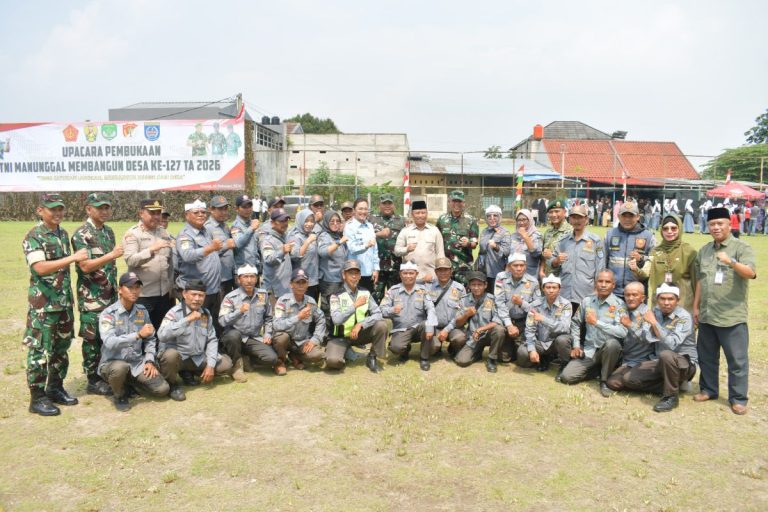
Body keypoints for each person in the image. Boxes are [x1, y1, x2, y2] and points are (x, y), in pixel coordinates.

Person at [23, 193, 88, 416]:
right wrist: (73, 258)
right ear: (40, 210)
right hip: (43, 305)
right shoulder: (34, 235)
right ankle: (37, 397)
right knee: (40, 351)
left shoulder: (62, 233)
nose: (58, 213)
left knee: (61, 349)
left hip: (63, 303)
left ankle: (55, 388)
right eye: (53, 209)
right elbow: (39, 268)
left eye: (61, 209)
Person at [693, 207, 756, 415]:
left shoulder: (741, 248)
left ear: (730, 224)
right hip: (708, 315)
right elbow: (702, 280)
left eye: (720, 223)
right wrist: (695, 307)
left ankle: (738, 398)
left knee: (737, 360)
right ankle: (708, 389)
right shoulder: (705, 250)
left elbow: (751, 273)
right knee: (707, 357)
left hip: (731, 317)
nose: (716, 227)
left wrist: (732, 262)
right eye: (712, 224)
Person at [608, 283, 697, 412]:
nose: (666, 302)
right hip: (657, 362)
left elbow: (672, 343)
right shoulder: (654, 312)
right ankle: (672, 384)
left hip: (683, 363)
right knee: (622, 380)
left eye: (670, 299)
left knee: (666, 354)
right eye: (662, 299)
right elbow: (645, 337)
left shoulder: (684, 317)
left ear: (677, 300)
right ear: (657, 299)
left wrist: (654, 324)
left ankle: (671, 397)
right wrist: (631, 325)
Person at [71, 193, 123, 396]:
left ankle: (106, 374)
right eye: (99, 207)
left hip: (109, 295)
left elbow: (109, 266)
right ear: (88, 209)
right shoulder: (82, 234)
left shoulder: (108, 231)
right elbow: (84, 266)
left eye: (107, 207)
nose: (104, 211)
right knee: (92, 339)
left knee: (108, 335)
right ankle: (92, 380)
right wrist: (111, 255)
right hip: (91, 297)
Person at [98, 272, 170, 411]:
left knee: (162, 390)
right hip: (113, 363)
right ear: (120, 289)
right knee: (120, 369)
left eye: (137, 287)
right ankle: (119, 395)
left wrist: (149, 360)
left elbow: (150, 338)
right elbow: (109, 342)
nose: (134, 291)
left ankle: (131, 384)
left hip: (137, 363)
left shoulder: (142, 312)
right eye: (130, 287)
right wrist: (137, 335)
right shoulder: (108, 314)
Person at [157, 279, 233, 401]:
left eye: (201, 295)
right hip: (179, 359)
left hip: (197, 357)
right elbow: (162, 335)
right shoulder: (174, 313)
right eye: (193, 294)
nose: (197, 298)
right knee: (170, 355)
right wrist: (187, 320)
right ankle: (172, 385)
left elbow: (212, 340)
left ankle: (191, 373)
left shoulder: (205, 314)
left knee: (226, 364)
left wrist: (210, 365)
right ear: (184, 294)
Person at [561, 270, 628, 396]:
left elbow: (623, 332)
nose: (603, 285)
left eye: (607, 282)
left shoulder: (620, 305)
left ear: (613, 285)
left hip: (608, 351)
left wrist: (597, 323)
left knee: (612, 343)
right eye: (600, 281)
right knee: (567, 377)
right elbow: (575, 323)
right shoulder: (587, 301)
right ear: (595, 284)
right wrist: (576, 345)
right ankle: (597, 370)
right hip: (589, 350)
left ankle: (604, 380)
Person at [219, 265, 280, 379]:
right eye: (245, 277)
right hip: (235, 338)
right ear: (238, 279)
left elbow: (268, 317)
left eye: (252, 276)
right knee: (233, 335)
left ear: (256, 279)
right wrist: (239, 311)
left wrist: (267, 334)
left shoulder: (262, 295)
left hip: (253, 338)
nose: (249, 280)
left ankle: (247, 360)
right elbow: (222, 321)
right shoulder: (231, 297)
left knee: (271, 358)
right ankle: (237, 367)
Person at [327, 260, 389, 373]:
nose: (354, 276)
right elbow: (336, 320)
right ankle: (345, 351)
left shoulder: (365, 292)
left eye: (357, 273)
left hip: (358, 335)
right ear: (343, 275)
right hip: (340, 337)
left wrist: (361, 324)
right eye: (350, 273)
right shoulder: (335, 295)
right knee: (333, 362)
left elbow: (378, 314)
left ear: (360, 276)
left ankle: (372, 357)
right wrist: (354, 306)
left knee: (382, 325)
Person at [123, 199, 174, 330]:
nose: (157, 216)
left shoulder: (163, 232)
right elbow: (130, 260)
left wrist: (171, 286)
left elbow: (170, 262)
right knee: (142, 332)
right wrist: (151, 250)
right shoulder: (133, 234)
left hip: (164, 295)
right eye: (152, 213)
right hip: (144, 295)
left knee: (163, 331)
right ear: (141, 213)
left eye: (158, 212)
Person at [176, 199, 223, 336]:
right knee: (195, 327)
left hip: (212, 289)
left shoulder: (206, 231)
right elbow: (187, 255)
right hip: (196, 292)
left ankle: (213, 352)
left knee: (211, 324)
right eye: (196, 212)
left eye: (203, 212)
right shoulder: (185, 235)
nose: (201, 215)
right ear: (187, 215)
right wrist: (210, 248)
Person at [633, 214, 696, 314]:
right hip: (659, 305)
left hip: (682, 306)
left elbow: (696, 282)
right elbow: (645, 274)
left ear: (680, 229)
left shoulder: (689, 251)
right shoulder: (655, 251)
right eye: (665, 228)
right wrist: (635, 268)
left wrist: (696, 307)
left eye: (673, 228)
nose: (669, 231)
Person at [381, 261, 438, 371]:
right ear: (400, 274)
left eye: (411, 273)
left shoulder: (423, 290)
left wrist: (430, 326)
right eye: (405, 273)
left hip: (419, 328)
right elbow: (382, 310)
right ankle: (405, 351)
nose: (408, 276)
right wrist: (392, 310)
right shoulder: (393, 291)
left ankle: (424, 358)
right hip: (401, 329)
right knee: (395, 347)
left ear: (416, 274)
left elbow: (431, 309)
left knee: (428, 326)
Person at [444, 271, 505, 372]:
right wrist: (466, 314)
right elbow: (458, 323)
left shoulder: (492, 299)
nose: (476, 288)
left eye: (479, 285)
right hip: (473, 337)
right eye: (473, 285)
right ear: (469, 286)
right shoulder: (464, 300)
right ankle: (477, 353)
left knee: (499, 330)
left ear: (485, 285)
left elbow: (497, 321)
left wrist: (480, 329)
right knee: (462, 361)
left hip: (488, 334)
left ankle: (492, 359)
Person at [604, 281, 657, 394]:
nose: (630, 298)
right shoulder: (622, 310)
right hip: (627, 361)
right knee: (612, 382)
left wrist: (630, 325)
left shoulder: (647, 314)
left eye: (634, 295)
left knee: (626, 380)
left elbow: (646, 338)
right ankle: (633, 380)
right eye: (627, 295)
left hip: (644, 362)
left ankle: (660, 386)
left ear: (642, 298)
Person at [550, 204, 604, 312]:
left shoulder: (595, 241)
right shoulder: (563, 241)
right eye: (574, 217)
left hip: (586, 296)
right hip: (565, 295)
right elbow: (552, 263)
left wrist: (597, 292)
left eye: (580, 217)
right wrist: (556, 261)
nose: (577, 220)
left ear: (586, 219)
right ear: (569, 219)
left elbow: (600, 269)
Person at [271, 269, 326, 370]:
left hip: (301, 341)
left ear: (307, 284)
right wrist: (298, 317)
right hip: (285, 341)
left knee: (318, 355)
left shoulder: (311, 302)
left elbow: (321, 319)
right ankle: (280, 361)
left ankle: (295, 356)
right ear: (291, 284)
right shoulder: (283, 301)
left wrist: (314, 340)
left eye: (303, 282)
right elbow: (276, 325)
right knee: (281, 338)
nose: (301, 285)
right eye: (297, 282)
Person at [516, 274, 573, 372]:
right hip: (540, 343)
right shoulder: (535, 305)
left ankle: (565, 364)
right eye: (548, 287)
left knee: (563, 340)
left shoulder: (566, 305)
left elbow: (565, 327)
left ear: (559, 289)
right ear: (543, 289)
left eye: (554, 287)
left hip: (555, 343)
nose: (551, 290)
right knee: (522, 354)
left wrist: (543, 319)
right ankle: (542, 359)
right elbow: (529, 329)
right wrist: (532, 349)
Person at [494, 252, 542, 364]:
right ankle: (509, 344)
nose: (519, 268)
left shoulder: (533, 282)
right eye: (515, 265)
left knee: (523, 360)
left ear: (525, 266)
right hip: (506, 321)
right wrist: (509, 325)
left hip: (524, 323)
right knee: (503, 358)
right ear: (509, 266)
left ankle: (519, 346)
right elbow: (499, 303)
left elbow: (537, 308)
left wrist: (522, 303)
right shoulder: (500, 278)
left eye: (522, 265)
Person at [604, 200, 656, 299]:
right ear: (618, 216)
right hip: (613, 293)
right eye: (624, 216)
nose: (627, 219)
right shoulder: (610, 234)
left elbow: (653, 265)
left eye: (631, 216)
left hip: (637, 294)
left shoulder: (649, 237)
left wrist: (641, 259)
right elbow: (603, 263)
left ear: (638, 217)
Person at [394, 199, 445, 283]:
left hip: (431, 277)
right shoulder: (405, 231)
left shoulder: (434, 231)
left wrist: (439, 274)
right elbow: (396, 251)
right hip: (410, 278)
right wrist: (406, 249)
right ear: (412, 215)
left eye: (423, 213)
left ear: (427, 214)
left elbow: (440, 255)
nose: (420, 215)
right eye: (417, 213)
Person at [436, 190, 479, 286]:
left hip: (463, 267)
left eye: (459, 201)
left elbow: (474, 243)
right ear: (449, 202)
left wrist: (468, 243)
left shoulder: (471, 220)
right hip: (445, 267)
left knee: (463, 295)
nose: (456, 204)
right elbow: (436, 241)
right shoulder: (442, 220)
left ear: (463, 203)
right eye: (454, 201)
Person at [317, 210, 349, 335]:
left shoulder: (337, 235)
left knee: (338, 310)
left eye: (338, 221)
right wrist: (339, 243)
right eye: (332, 221)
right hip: (329, 280)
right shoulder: (325, 236)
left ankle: (337, 335)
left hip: (339, 279)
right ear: (326, 222)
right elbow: (323, 252)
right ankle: (326, 337)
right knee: (328, 310)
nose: (335, 223)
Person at [370, 193, 406, 304]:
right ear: (379, 205)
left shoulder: (401, 221)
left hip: (395, 267)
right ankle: (374, 320)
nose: (387, 206)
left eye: (389, 203)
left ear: (393, 205)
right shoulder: (371, 220)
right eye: (384, 203)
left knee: (396, 300)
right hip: (377, 267)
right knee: (374, 299)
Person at [430, 257, 467, 358]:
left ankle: (453, 348)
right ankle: (437, 348)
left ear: (451, 271)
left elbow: (461, 312)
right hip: (434, 327)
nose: (443, 273)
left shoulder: (460, 288)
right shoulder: (428, 287)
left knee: (460, 338)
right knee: (432, 347)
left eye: (446, 270)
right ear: (435, 272)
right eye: (440, 270)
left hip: (453, 327)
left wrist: (446, 329)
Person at [343, 198, 379, 292]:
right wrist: (365, 245)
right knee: (354, 302)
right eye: (360, 209)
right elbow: (352, 248)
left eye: (365, 209)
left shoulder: (370, 226)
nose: (363, 212)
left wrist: (376, 269)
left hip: (369, 273)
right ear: (354, 210)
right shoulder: (349, 227)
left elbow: (375, 250)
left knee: (368, 303)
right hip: (354, 273)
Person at [205, 195, 237, 297]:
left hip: (228, 276)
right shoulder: (207, 228)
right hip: (218, 278)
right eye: (220, 209)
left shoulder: (224, 225)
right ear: (211, 210)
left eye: (225, 208)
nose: (224, 212)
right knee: (219, 309)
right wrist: (225, 246)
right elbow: (206, 253)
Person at [260, 208, 294, 302]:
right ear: (272, 223)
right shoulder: (268, 240)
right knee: (274, 316)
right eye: (281, 221)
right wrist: (282, 251)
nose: (285, 223)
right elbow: (268, 259)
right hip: (274, 292)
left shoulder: (285, 236)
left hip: (286, 289)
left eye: (286, 220)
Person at [288, 209, 320, 301]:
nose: (309, 224)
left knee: (312, 308)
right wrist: (308, 241)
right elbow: (295, 255)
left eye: (311, 221)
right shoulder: (295, 236)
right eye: (306, 221)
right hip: (301, 281)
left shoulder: (310, 234)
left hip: (313, 280)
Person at [477, 205, 511, 292]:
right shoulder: (484, 231)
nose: (492, 218)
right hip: (482, 271)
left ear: (500, 217)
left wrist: (496, 246)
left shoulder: (505, 232)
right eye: (489, 216)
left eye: (495, 215)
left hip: (496, 271)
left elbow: (507, 252)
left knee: (496, 295)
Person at [539, 199, 572, 279]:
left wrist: (553, 257)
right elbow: (544, 254)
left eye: (557, 211)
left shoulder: (571, 231)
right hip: (547, 277)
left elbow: (572, 257)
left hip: (563, 277)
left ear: (564, 212)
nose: (554, 215)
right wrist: (541, 270)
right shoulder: (548, 232)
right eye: (551, 212)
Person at [230, 195, 262, 277]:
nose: (247, 210)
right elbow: (238, 244)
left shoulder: (252, 223)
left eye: (249, 206)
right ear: (237, 209)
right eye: (244, 207)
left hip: (255, 268)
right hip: (242, 271)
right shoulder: (236, 226)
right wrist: (251, 229)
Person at [509, 209, 542, 278]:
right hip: (513, 274)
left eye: (524, 219)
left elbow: (536, 254)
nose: (521, 222)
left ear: (530, 220)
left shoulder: (536, 235)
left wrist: (525, 236)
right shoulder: (513, 236)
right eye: (519, 220)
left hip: (530, 275)